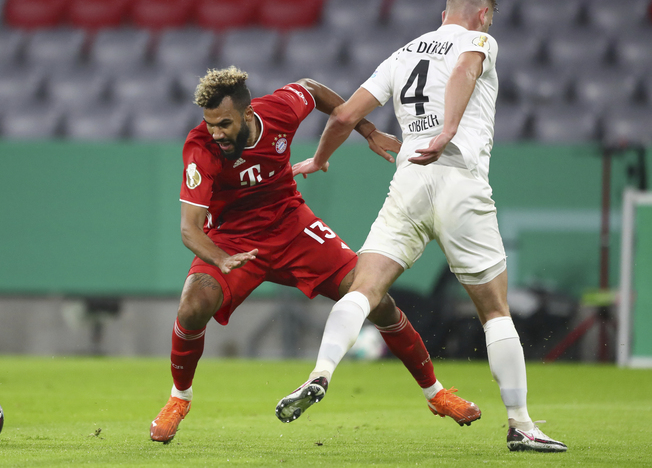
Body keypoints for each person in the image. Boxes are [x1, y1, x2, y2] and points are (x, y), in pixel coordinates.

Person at [275, 0, 567, 453]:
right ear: (484, 14)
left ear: (444, 11)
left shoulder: (403, 53)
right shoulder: (480, 40)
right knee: (495, 312)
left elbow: (344, 115)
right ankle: (521, 425)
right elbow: (463, 72)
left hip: (408, 179)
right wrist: (448, 128)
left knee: (362, 290)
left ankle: (320, 372)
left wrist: (322, 158)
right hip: (457, 177)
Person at [150, 66, 481, 443]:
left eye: (224, 124)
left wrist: (368, 130)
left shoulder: (279, 110)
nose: (217, 133)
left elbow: (314, 89)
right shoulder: (200, 148)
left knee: (375, 299)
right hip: (233, 240)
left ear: (248, 113)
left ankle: (436, 394)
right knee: (192, 306)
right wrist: (221, 259)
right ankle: (179, 399)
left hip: (292, 227)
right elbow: (189, 229)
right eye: (210, 124)